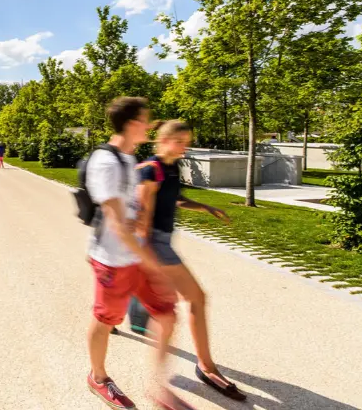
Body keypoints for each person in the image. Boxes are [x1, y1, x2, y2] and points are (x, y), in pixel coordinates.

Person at [85, 97, 186, 410]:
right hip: (112, 259)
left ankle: (158, 387)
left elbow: (130, 211)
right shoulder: (105, 162)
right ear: (131, 124)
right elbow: (116, 222)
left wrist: (141, 220)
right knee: (105, 319)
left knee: (166, 314)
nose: (150, 125)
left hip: (135, 254)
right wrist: (152, 264)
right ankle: (98, 378)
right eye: (145, 120)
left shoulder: (129, 158)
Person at [136, 120, 246, 402]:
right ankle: (199, 369)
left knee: (177, 307)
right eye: (180, 142)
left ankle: (197, 368)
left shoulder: (172, 167)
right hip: (154, 244)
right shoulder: (150, 169)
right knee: (188, 302)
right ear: (164, 141)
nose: (185, 147)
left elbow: (176, 199)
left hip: (163, 242)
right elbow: (141, 219)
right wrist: (148, 263)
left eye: (187, 142)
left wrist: (206, 207)